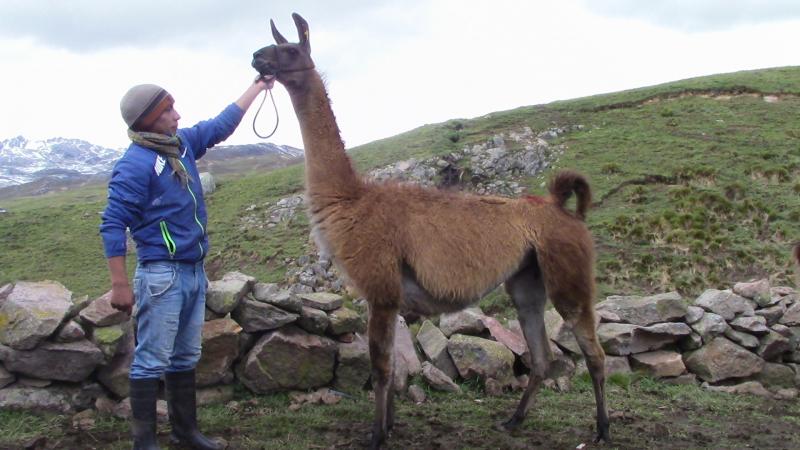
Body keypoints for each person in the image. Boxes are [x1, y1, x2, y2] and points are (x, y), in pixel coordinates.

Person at [100, 76, 273, 450]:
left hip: (194, 270)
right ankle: (144, 442)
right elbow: (113, 222)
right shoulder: (135, 164)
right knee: (151, 359)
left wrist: (258, 86)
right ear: (147, 119)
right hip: (161, 273)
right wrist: (119, 284)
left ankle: (185, 433)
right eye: (168, 111)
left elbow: (219, 126)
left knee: (185, 356)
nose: (177, 115)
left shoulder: (179, 147)